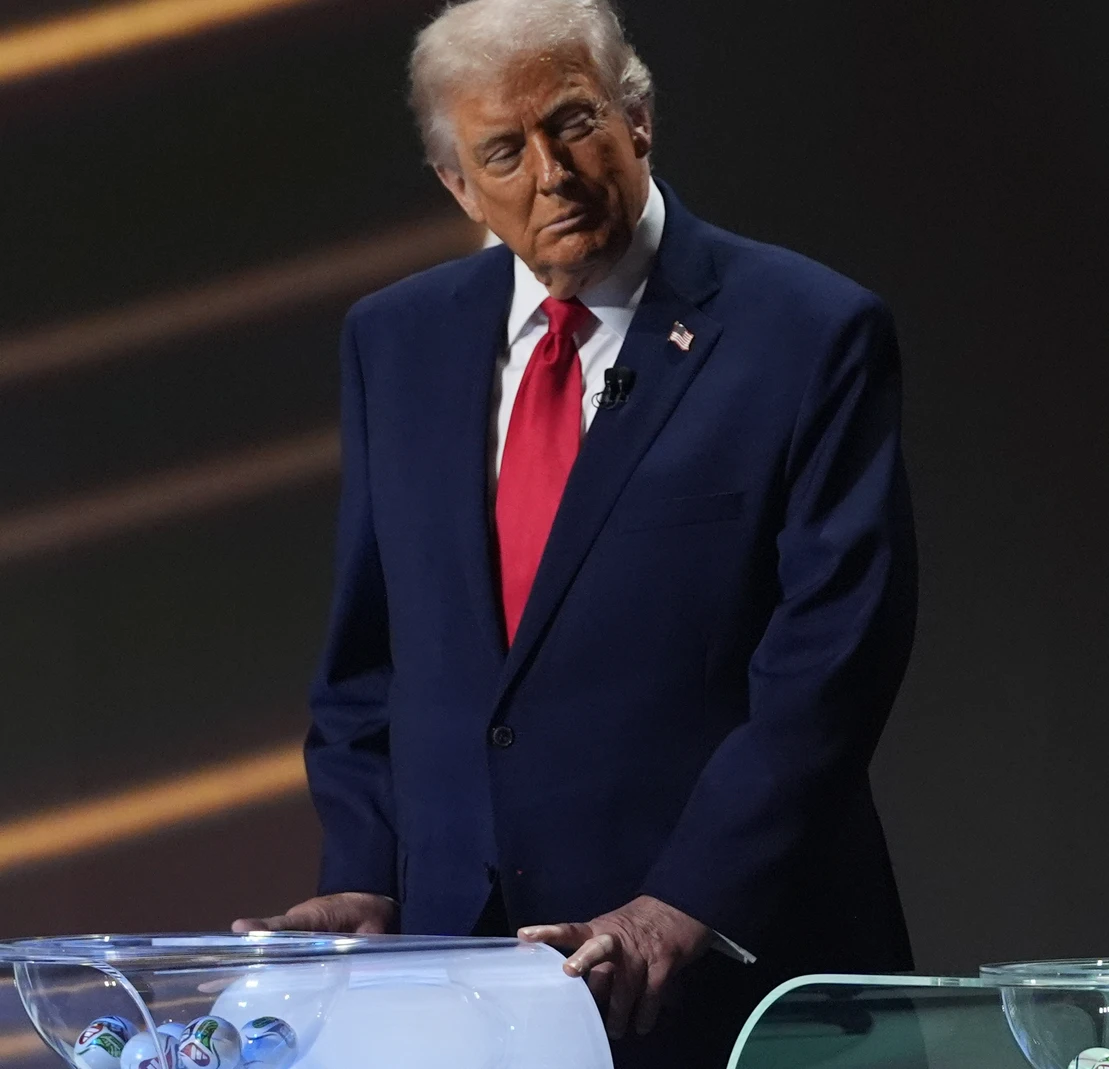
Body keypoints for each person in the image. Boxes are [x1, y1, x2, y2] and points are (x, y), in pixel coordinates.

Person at [232, 1, 918, 1064]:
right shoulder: (395, 341)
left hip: (726, 981)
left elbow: (832, 665)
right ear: (458, 185)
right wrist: (365, 875)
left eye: (575, 122)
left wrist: (679, 906)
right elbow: (369, 657)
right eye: (503, 151)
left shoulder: (808, 333)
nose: (551, 172)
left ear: (638, 119)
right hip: (459, 984)